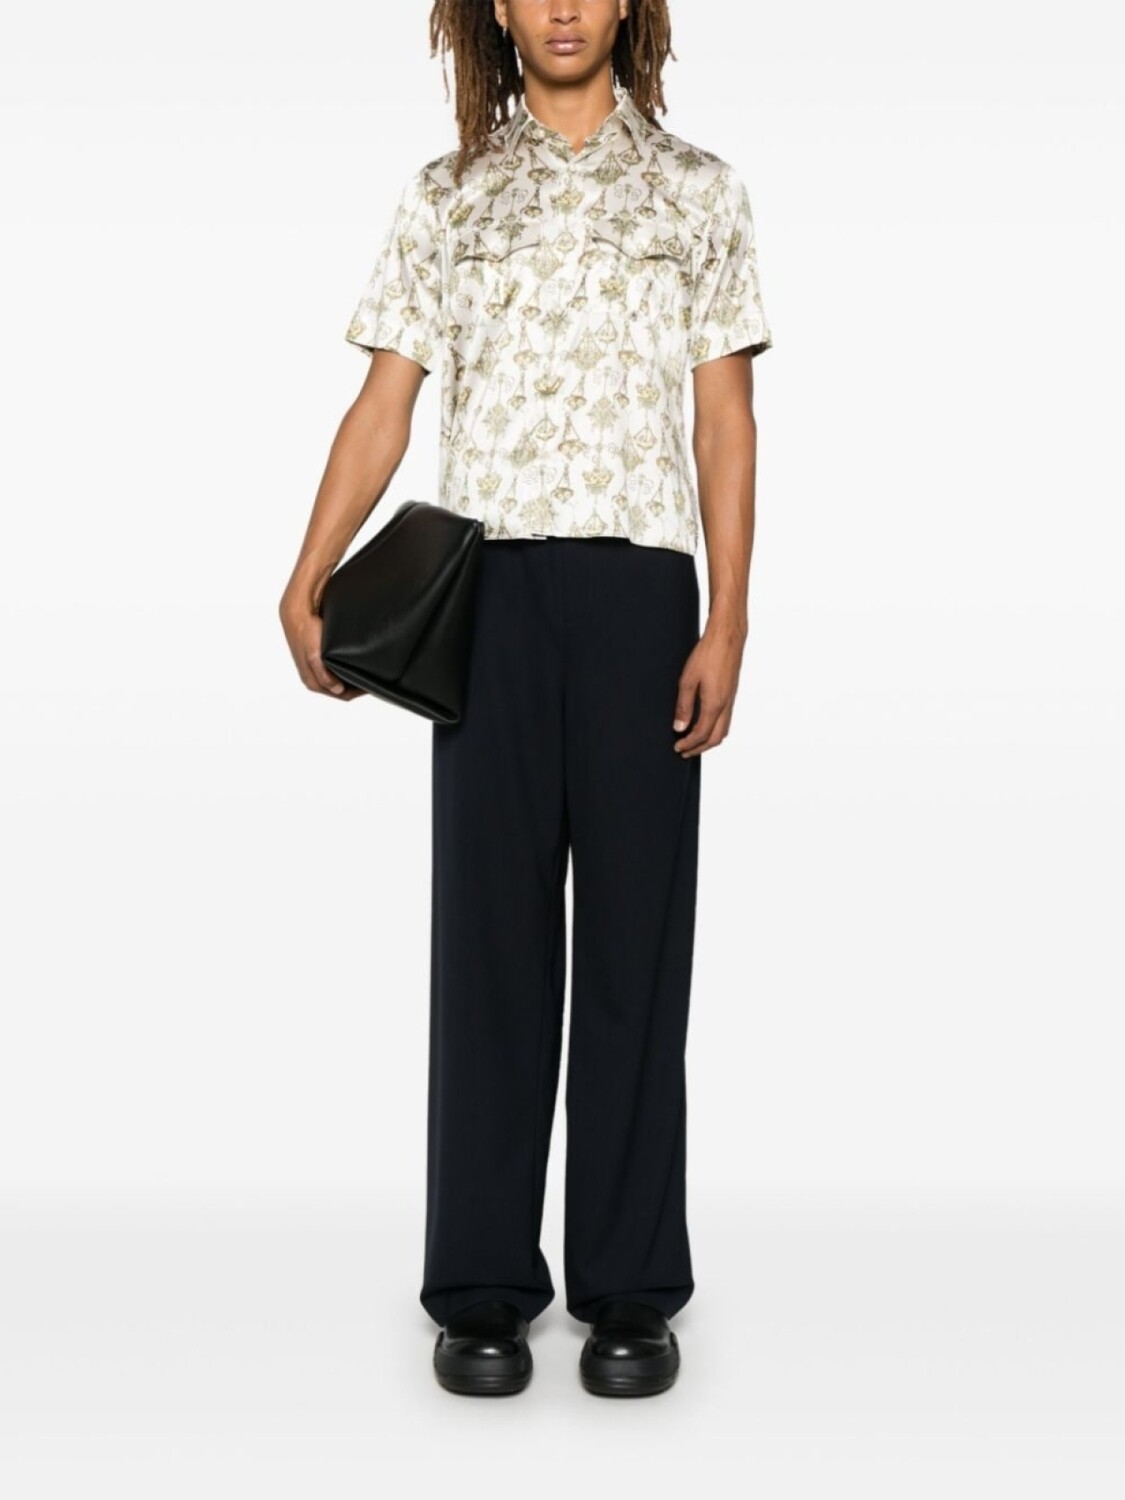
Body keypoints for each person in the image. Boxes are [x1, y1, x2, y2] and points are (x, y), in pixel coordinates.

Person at [279, 0, 772, 1399]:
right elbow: (386, 403)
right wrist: (308, 569)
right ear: (495, 7)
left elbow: (724, 417)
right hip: (484, 604)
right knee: (490, 947)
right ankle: (482, 1286)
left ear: (628, 5)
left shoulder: (698, 191)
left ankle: (629, 1288)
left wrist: (728, 615)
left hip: (639, 601)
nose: (562, 5)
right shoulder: (448, 193)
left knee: (634, 951)